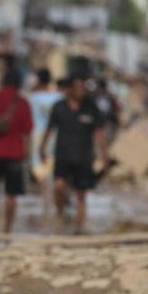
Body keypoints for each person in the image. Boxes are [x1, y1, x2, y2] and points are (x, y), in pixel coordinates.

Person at [39, 74, 109, 235]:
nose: (82, 91)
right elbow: (49, 130)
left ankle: (79, 230)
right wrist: (41, 149)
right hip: (62, 156)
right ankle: (60, 212)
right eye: (78, 88)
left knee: (81, 195)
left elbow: (99, 133)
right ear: (70, 89)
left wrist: (104, 156)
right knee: (58, 186)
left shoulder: (91, 107)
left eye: (83, 87)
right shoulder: (58, 107)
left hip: (84, 157)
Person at [0, 67, 33, 233]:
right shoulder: (22, 102)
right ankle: (7, 229)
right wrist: (27, 154)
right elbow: (27, 131)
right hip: (15, 153)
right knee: (12, 194)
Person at [27, 69, 60, 177]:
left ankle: (44, 191)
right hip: (55, 134)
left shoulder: (31, 98)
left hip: (37, 134)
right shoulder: (59, 97)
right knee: (53, 166)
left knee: (39, 168)